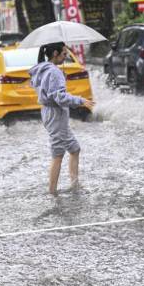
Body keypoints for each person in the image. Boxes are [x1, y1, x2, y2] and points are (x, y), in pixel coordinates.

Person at [28, 42, 95, 195]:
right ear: (55, 53)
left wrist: (60, 79)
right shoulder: (53, 72)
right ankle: (52, 192)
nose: (66, 57)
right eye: (64, 54)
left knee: (74, 148)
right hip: (55, 114)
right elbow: (59, 97)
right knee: (58, 153)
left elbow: (49, 90)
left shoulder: (44, 68)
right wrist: (80, 100)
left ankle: (74, 185)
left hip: (51, 113)